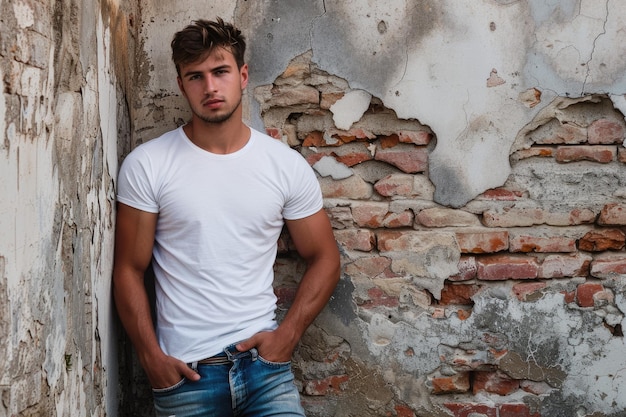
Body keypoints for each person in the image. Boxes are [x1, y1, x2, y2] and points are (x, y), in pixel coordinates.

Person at [113, 17, 341, 417]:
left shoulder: (283, 166)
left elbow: (325, 256)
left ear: (243, 75)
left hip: (265, 373)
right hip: (187, 378)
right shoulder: (148, 165)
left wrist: (286, 337)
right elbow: (129, 269)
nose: (210, 87)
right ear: (182, 85)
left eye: (220, 71)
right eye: (195, 76)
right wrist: (152, 359)